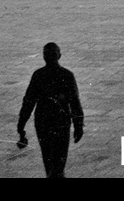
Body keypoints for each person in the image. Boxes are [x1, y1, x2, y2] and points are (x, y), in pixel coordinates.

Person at [18, 42, 85, 178]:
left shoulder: (38, 75)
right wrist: (78, 125)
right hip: (61, 122)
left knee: (48, 159)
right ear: (59, 56)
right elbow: (74, 103)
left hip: (43, 122)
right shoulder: (67, 75)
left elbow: (28, 102)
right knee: (59, 161)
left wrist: (21, 125)